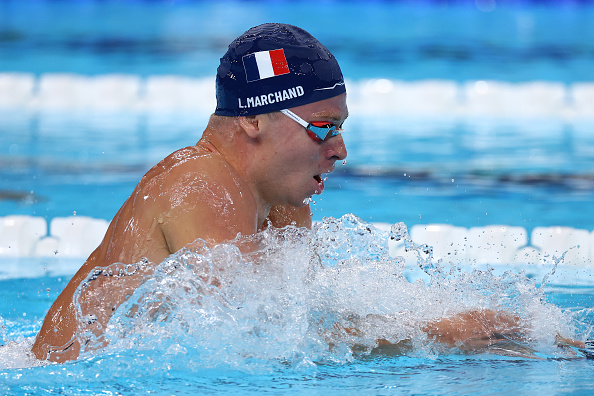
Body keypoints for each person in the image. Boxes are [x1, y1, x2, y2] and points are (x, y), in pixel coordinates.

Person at [31, 23, 585, 363]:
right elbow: (251, 338)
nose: (340, 149)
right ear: (254, 120)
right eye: (323, 126)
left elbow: (303, 324)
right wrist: (433, 334)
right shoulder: (200, 180)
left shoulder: (281, 204)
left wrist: (476, 328)